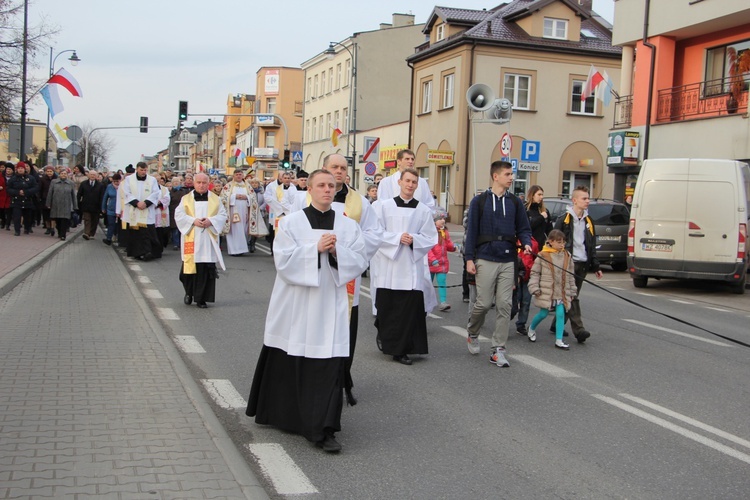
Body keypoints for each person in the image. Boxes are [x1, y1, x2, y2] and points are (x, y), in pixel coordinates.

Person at [246, 169, 369, 453]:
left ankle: (322, 428)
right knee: (291, 355)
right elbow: (283, 262)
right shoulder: (291, 223)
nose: (327, 189)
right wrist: (315, 249)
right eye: (321, 185)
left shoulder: (348, 226)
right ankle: (284, 415)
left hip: (329, 303)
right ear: (310, 190)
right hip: (296, 304)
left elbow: (360, 259)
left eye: (332, 185)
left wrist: (338, 253)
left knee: (326, 362)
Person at [464, 161, 532, 368]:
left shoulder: (516, 202)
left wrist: (527, 243)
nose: (512, 177)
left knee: (505, 305)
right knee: (483, 303)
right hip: (485, 257)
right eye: (508, 174)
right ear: (496, 176)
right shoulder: (479, 201)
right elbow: (472, 232)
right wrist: (469, 258)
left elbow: (524, 228)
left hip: (508, 259)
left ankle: (498, 349)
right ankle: (472, 332)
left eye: (512, 174)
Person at [371, 168, 438, 365]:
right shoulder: (383, 207)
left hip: (410, 266)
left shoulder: (423, 211)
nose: (410, 185)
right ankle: (386, 337)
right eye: (407, 181)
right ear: (399, 182)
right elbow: (375, 232)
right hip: (389, 265)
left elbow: (430, 237)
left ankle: (402, 349)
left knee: (408, 309)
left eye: (414, 182)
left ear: (417, 186)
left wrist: (413, 240)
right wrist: (397, 238)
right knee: (388, 307)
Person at [552, 185, 603, 343]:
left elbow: (591, 244)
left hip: (582, 263)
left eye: (588, 198)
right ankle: (579, 330)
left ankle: (556, 324)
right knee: (572, 295)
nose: (588, 201)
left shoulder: (588, 221)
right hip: (568, 263)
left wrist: (595, 266)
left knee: (572, 295)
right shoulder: (564, 220)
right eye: (584, 198)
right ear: (575, 200)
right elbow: (553, 241)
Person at [175, 173, 227, 308]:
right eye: (198, 182)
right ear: (194, 183)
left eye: (204, 182)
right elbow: (179, 215)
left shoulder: (216, 199)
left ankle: (201, 299)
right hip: (192, 238)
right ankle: (189, 292)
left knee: (205, 269)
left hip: (208, 239)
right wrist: (193, 221)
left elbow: (222, 215)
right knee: (187, 271)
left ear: (208, 183)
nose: (201, 185)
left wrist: (211, 221)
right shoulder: (186, 199)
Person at [527, 229, 578, 350]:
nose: (562, 245)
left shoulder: (567, 255)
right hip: (547, 290)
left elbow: (570, 275)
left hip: (561, 291)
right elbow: (535, 272)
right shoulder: (543, 255)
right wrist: (534, 287)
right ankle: (532, 328)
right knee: (543, 314)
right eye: (559, 242)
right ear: (550, 242)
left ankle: (559, 340)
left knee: (561, 314)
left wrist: (572, 291)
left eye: (563, 242)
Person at [121, 162, 163, 261]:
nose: (143, 172)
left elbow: (155, 193)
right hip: (135, 210)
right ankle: (137, 252)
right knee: (136, 234)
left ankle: (149, 252)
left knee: (148, 233)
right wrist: (136, 203)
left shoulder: (152, 180)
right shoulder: (129, 179)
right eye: (141, 170)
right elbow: (127, 193)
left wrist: (146, 203)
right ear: (137, 169)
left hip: (147, 210)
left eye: (145, 170)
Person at [220, 169, 255, 256]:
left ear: (243, 175)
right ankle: (233, 250)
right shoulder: (228, 186)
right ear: (234, 176)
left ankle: (241, 249)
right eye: (237, 174)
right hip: (232, 212)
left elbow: (253, 198)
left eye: (240, 174)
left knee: (242, 229)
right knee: (233, 230)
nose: (239, 176)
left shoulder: (248, 186)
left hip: (244, 211)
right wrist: (235, 196)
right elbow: (223, 198)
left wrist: (246, 197)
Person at [428, 209, 456, 312]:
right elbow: (427, 248)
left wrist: (453, 247)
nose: (443, 220)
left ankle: (443, 302)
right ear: (434, 220)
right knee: (428, 284)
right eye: (440, 219)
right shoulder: (430, 232)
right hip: (431, 264)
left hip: (442, 264)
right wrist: (433, 260)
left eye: (444, 218)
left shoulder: (444, 232)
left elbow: (448, 244)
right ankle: (426, 301)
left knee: (442, 282)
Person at [263, 171, 297, 250]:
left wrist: (289, 209)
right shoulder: (274, 186)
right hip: (277, 213)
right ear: (280, 178)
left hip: (289, 213)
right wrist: (279, 208)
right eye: (284, 178)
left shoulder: (293, 188)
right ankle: (274, 250)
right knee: (275, 232)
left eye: (288, 178)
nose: (287, 180)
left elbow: (294, 200)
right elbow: (268, 198)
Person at [6, 162, 39, 236]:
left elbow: (36, 187)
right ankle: (17, 230)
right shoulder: (13, 179)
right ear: (17, 169)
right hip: (17, 200)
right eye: (19, 168)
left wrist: (26, 192)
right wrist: (17, 192)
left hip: (27, 200)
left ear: (24, 169)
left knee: (27, 217)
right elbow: (8, 189)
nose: (20, 170)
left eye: (22, 168)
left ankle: (27, 228)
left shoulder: (30, 178)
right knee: (16, 217)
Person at [46, 167, 77, 241]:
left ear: (67, 175)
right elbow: (50, 193)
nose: (63, 175)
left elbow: (73, 195)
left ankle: (63, 235)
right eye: (62, 173)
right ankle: (59, 232)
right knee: (57, 220)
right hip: (56, 204)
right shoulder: (54, 182)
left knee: (64, 221)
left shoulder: (71, 183)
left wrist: (75, 206)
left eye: (65, 174)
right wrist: (48, 203)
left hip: (66, 205)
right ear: (59, 175)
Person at [77, 169, 106, 240]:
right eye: (91, 174)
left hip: (96, 207)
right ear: (88, 175)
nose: (92, 176)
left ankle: (92, 233)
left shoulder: (100, 185)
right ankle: (86, 233)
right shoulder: (83, 184)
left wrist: (102, 207)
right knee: (87, 220)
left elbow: (102, 196)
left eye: (94, 175)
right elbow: (79, 194)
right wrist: (78, 203)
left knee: (94, 221)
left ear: (96, 176)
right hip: (86, 205)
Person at [526, 185, 552, 250]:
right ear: (532, 195)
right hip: (529, 245)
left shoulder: (545, 211)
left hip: (542, 246)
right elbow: (527, 226)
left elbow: (550, 230)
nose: (541, 197)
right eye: (539, 194)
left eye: (542, 195)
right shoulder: (525, 209)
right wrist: (541, 217)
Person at [168, 175, 188, 250]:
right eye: (174, 182)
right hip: (173, 211)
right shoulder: (170, 192)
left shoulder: (184, 191)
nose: (176, 183)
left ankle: (182, 243)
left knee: (182, 229)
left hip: (183, 212)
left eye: (177, 182)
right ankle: (176, 244)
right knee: (175, 229)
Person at [101, 173, 122, 245]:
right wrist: (103, 207)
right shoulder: (109, 187)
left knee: (119, 225)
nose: (116, 183)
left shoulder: (123, 187)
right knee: (111, 224)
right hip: (111, 208)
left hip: (120, 209)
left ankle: (119, 238)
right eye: (115, 181)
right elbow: (105, 197)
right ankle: (109, 238)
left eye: (118, 181)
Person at [39, 166, 57, 237]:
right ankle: (48, 227)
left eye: (51, 171)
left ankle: (53, 227)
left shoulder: (56, 179)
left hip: (54, 198)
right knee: (46, 214)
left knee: (53, 214)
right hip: (45, 198)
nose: (49, 173)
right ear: (46, 172)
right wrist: (39, 198)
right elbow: (40, 189)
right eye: (48, 171)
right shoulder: (43, 179)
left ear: (53, 172)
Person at [154, 177, 171, 249]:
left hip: (161, 211)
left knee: (162, 231)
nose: (157, 182)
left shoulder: (164, 189)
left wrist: (159, 203)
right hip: (153, 212)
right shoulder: (149, 189)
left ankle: (160, 246)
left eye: (158, 180)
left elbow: (167, 199)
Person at [0, 163, 11, 230]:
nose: (8, 170)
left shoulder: (14, 177)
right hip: (2, 195)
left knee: (9, 211)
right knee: (1, 210)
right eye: (7, 169)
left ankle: (7, 224)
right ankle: (3, 221)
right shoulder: (1, 176)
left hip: (10, 196)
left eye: (9, 169)